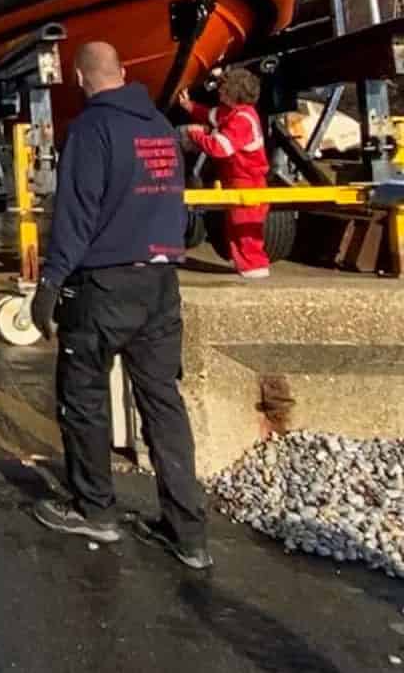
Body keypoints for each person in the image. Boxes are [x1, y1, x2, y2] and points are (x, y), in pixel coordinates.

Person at [28, 41, 210, 570]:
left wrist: (51, 282)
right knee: (162, 404)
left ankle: (95, 510)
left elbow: (77, 213)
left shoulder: (91, 130)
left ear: (82, 79)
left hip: (104, 285)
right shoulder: (159, 129)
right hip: (161, 284)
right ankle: (189, 533)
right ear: (124, 71)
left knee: (83, 395)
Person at [177, 67, 271, 279]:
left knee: (245, 228)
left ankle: (254, 268)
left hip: (248, 181)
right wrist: (190, 106)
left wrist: (196, 135)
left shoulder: (242, 120)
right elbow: (212, 116)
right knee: (235, 226)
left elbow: (220, 148)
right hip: (237, 178)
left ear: (233, 95)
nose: (219, 93)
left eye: (223, 90)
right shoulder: (234, 112)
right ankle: (246, 266)